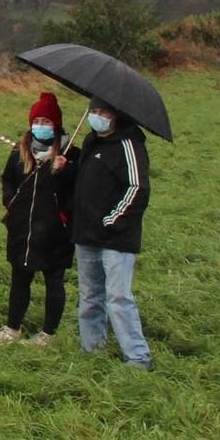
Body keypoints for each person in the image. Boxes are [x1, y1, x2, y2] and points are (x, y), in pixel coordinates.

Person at [62, 96, 153, 369]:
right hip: (85, 235)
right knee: (89, 296)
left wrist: (112, 221)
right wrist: (65, 166)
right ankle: (92, 350)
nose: (97, 116)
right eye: (94, 111)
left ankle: (138, 356)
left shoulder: (129, 145)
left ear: (116, 115)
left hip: (116, 239)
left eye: (103, 112)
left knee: (118, 298)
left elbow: (137, 189)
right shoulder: (91, 142)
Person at [0, 92, 75, 346]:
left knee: (53, 281)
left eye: (46, 121)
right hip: (22, 229)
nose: (41, 126)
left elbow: (75, 191)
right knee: (19, 280)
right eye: (37, 121)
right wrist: (10, 203)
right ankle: (12, 328)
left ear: (56, 125)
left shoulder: (70, 154)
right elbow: (7, 180)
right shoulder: (19, 151)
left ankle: (48, 334)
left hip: (55, 232)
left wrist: (63, 171)